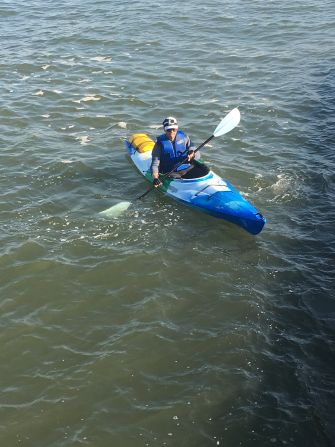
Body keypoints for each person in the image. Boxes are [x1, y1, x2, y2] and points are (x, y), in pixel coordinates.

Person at [151, 116, 201, 187]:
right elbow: (155, 163)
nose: (171, 132)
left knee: (203, 168)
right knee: (177, 175)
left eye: (173, 130)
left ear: (177, 129)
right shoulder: (159, 144)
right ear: (165, 130)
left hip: (186, 167)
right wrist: (155, 178)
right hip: (171, 172)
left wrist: (192, 153)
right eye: (169, 130)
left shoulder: (184, 137)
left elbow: (195, 151)